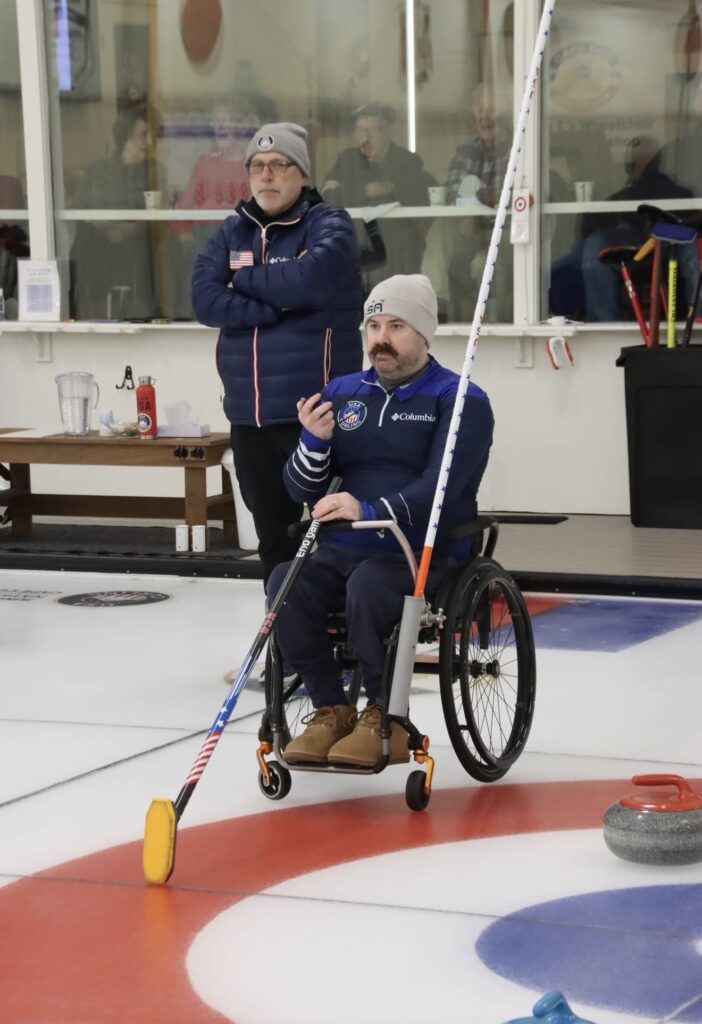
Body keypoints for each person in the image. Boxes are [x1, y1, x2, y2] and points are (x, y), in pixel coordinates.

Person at [267, 273, 494, 767]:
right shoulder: (345, 392)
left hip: (418, 553)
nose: (381, 339)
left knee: (370, 585)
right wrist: (313, 443)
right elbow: (300, 490)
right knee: (286, 581)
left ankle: (382, 713)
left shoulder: (460, 401)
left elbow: (439, 487)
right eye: (373, 325)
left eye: (396, 325)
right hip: (343, 547)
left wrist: (366, 510)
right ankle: (331, 707)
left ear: (423, 333)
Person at [192, 121, 363, 586]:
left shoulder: (331, 224)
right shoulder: (232, 232)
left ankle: (341, 637)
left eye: (279, 165)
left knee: (335, 532)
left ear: (301, 173)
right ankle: (285, 642)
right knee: (273, 539)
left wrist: (242, 281)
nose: (266, 176)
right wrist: (275, 304)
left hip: (317, 412)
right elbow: (204, 300)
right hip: (249, 418)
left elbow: (309, 281)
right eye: (257, 167)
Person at [421, 83, 512, 321]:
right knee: (439, 231)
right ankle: (435, 310)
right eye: (480, 112)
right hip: (469, 230)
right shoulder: (465, 152)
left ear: (505, 115)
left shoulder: (518, 148)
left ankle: (495, 325)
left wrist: (477, 197)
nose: (484, 118)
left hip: (506, 235)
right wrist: (478, 203)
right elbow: (451, 194)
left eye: (490, 111)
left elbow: (507, 198)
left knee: (483, 262)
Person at [321, 103, 435, 290]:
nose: (365, 137)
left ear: (388, 131)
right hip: (355, 248)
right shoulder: (347, 160)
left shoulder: (407, 161)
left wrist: (346, 191)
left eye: (372, 130)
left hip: (397, 253)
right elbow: (327, 196)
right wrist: (366, 191)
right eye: (360, 131)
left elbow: (417, 198)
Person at [70, 106, 167, 320]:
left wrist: (123, 228)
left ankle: (146, 310)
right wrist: (108, 227)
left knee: (156, 241)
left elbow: (160, 216)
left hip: (138, 245)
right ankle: (78, 309)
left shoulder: (155, 171)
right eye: (143, 135)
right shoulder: (98, 172)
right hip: (98, 245)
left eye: (154, 135)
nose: (150, 142)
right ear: (125, 136)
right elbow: (78, 211)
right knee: (84, 237)